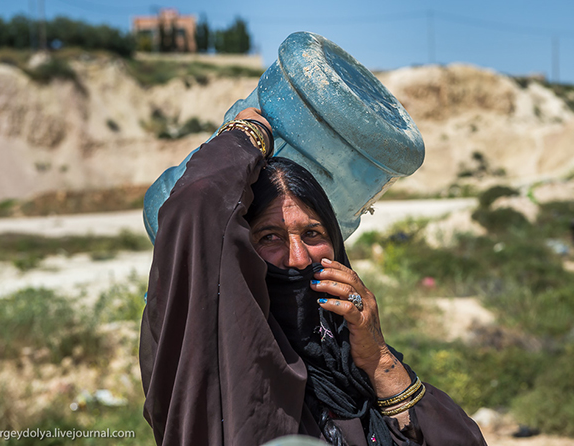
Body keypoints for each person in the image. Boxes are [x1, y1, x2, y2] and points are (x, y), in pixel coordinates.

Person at [139, 107, 487, 446]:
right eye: (269, 237)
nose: (299, 258)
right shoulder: (213, 354)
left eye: (313, 234)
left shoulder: (345, 360)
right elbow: (198, 203)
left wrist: (378, 358)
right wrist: (248, 132)